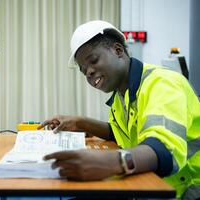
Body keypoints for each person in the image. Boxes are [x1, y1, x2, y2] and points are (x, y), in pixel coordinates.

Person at [38, 20, 200, 199]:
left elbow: (165, 150)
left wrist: (111, 162)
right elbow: (120, 133)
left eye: (93, 60)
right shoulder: (120, 96)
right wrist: (80, 123)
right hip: (150, 183)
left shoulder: (162, 83)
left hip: (187, 188)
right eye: (84, 72)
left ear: (118, 51)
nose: (89, 73)